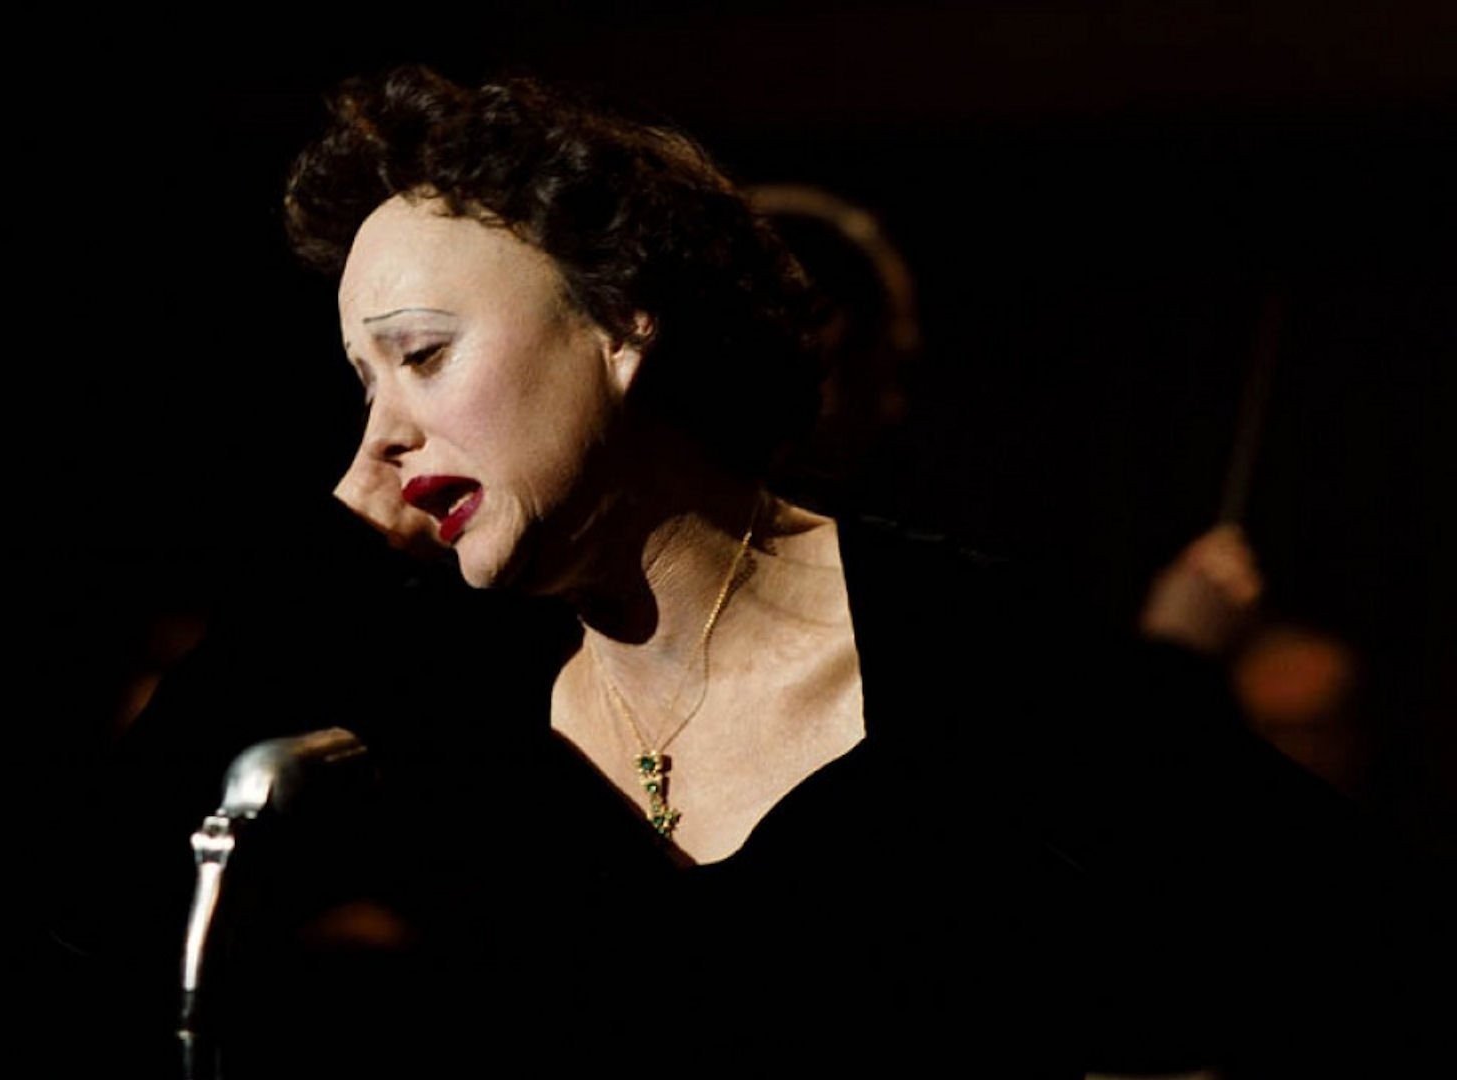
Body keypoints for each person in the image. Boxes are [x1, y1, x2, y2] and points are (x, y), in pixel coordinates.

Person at [137, 66, 1433, 1077]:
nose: (379, 436)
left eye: (422, 355)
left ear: (620, 325)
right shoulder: (453, 693)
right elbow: (87, 916)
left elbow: (1360, 958)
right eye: (363, 382)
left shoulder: (968, 645)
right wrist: (334, 552)